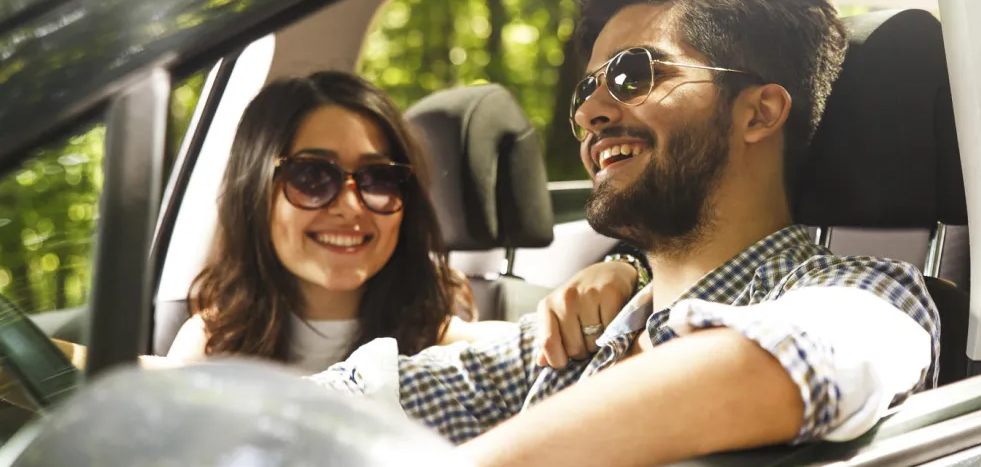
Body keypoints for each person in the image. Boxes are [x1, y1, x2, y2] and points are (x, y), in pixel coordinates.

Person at [305, 0, 941, 467]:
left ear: (759, 113)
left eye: (634, 75)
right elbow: (338, 405)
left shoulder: (870, 295)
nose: (589, 110)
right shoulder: (577, 338)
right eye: (589, 86)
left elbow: (796, 358)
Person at [24, 72, 643, 381]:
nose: (350, 204)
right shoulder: (211, 343)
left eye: (379, 179)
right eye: (312, 177)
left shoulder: (442, 336)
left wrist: (627, 272)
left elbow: (540, 348)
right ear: (256, 193)